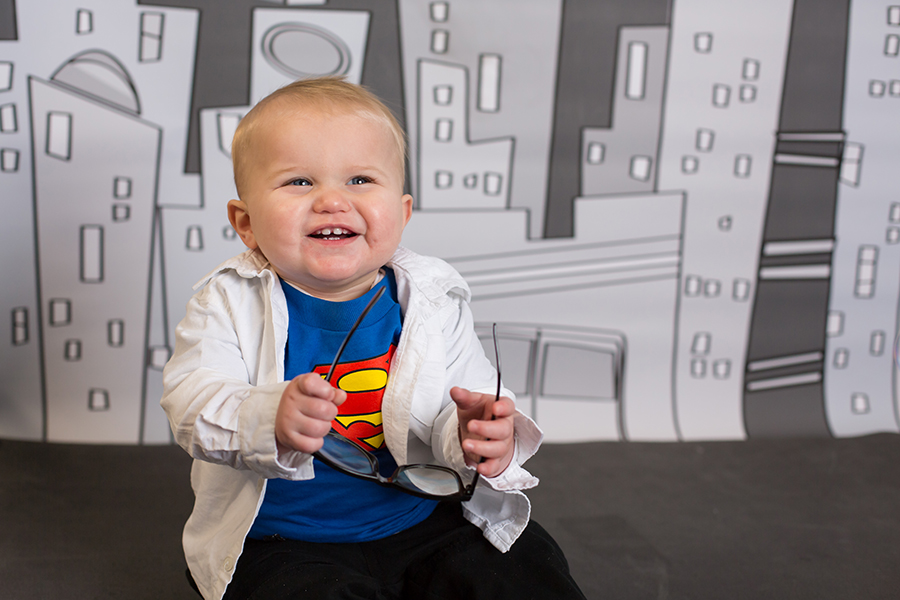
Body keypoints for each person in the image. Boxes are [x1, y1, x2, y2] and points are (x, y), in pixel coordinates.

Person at [162, 76, 585, 600]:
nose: (332, 201)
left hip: (425, 521)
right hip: (285, 540)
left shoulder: (432, 299)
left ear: (402, 214)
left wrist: (477, 434)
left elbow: (460, 402)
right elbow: (189, 402)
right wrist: (266, 416)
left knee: (527, 574)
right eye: (299, 182)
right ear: (246, 223)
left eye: (360, 179)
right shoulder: (227, 301)